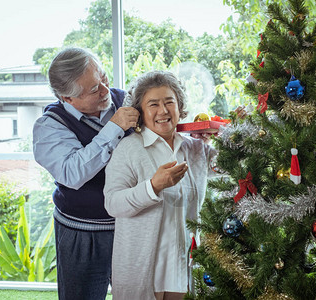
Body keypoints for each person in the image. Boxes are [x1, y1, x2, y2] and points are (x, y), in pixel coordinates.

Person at [32, 47, 140, 300]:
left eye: (103, 77)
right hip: (81, 232)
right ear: (67, 98)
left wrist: (193, 134)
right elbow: (73, 173)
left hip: (129, 225)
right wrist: (114, 129)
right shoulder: (49, 126)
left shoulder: (125, 100)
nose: (105, 89)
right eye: (94, 89)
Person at [104, 70, 218, 300]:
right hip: (145, 265)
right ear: (140, 112)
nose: (163, 111)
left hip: (182, 263)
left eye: (169, 102)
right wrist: (153, 186)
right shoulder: (128, 149)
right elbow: (113, 204)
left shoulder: (195, 148)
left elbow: (234, 166)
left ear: (179, 106)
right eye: (153, 104)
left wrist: (222, 135)